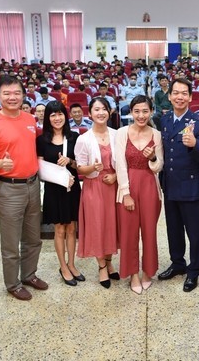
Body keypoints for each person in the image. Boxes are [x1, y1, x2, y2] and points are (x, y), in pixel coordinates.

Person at [0, 75, 48, 301]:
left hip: (32, 184)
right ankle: (13, 283)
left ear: (23, 94)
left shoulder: (29, 118)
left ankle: (29, 274)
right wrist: (1, 163)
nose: (12, 97)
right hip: (8, 189)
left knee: (33, 237)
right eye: (6, 93)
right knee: (11, 242)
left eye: (16, 93)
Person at [158, 77, 199, 292]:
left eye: (184, 93)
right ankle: (177, 263)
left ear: (190, 97)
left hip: (190, 186)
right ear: (169, 96)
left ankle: (194, 270)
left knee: (194, 231)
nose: (179, 96)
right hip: (170, 184)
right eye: (176, 93)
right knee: (173, 229)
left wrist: (195, 144)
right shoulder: (165, 119)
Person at [115, 95, 164, 294]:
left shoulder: (157, 134)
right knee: (129, 233)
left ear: (151, 112)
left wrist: (152, 158)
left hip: (150, 186)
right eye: (137, 111)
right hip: (128, 185)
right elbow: (119, 163)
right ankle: (133, 273)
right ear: (131, 112)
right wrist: (125, 193)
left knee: (149, 232)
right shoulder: (121, 133)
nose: (141, 115)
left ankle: (148, 271)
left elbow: (159, 166)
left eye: (145, 111)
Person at [37, 101, 83, 286]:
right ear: (48, 118)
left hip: (71, 187)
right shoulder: (41, 140)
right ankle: (63, 266)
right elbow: (40, 168)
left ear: (66, 115)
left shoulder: (74, 137)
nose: (57, 118)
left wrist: (70, 161)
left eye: (60, 114)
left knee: (72, 228)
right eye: (53, 115)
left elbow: (80, 164)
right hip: (53, 189)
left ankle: (72, 264)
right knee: (59, 229)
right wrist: (56, 171)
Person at [75, 97, 120, 289]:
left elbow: (124, 164)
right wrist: (92, 167)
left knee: (113, 225)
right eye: (96, 109)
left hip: (114, 185)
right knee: (98, 225)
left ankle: (109, 261)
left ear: (109, 112)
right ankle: (101, 265)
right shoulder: (83, 138)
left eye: (104, 109)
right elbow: (80, 169)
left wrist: (116, 176)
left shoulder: (118, 135)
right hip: (94, 186)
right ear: (90, 114)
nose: (100, 113)